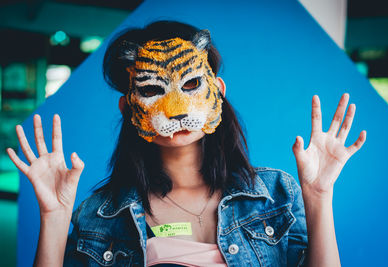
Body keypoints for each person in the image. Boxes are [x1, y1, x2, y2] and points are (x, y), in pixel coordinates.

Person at [6, 20, 366, 267]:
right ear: (128, 105)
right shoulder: (101, 214)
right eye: (150, 90)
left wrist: (319, 198)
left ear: (218, 92)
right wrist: (53, 217)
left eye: (191, 84)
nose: (175, 110)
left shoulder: (277, 194)